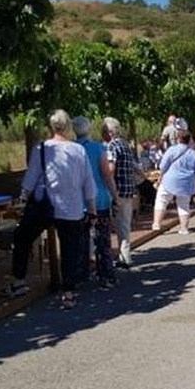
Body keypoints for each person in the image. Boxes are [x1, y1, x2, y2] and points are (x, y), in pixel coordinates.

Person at [8, 110, 97, 309]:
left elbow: (30, 179)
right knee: (69, 249)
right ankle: (68, 293)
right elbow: (87, 182)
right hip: (71, 207)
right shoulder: (77, 150)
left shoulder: (40, 148)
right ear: (68, 127)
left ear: (51, 127)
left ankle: (19, 281)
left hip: (44, 206)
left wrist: (22, 199)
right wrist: (91, 209)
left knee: (22, 238)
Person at [74, 116, 119, 289]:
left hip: (79, 202)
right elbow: (107, 176)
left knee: (81, 240)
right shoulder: (98, 148)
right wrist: (115, 196)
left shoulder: (72, 150)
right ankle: (106, 276)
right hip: (100, 199)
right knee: (103, 239)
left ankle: (81, 274)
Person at [152, 118, 195, 235]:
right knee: (184, 205)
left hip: (169, 181)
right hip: (186, 182)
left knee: (161, 201)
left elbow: (163, 166)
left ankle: (157, 224)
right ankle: (184, 228)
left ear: (178, 138)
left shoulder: (171, 150)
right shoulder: (193, 154)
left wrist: (160, 179)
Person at [101, 117, 138, 269]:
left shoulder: (112, 146)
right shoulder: (126, 145)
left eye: (103, 131)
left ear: (110, 132)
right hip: (128, 190)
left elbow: (111, 169)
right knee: (124, 226)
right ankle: (125, 256)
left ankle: (112, 259)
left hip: (116, 191)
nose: (102, 135)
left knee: (111, 226)